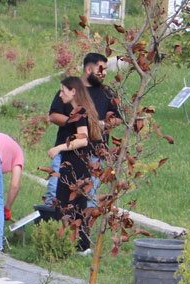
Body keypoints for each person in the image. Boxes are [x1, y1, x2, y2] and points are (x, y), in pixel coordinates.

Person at [45, 52, 117, 204]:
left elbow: (118, 118)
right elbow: (53, 115)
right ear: (89, 70)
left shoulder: (107, 92)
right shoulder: (69, 89)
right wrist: (76, 122)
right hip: (66, 151)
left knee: (87, 198)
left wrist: (102, 124)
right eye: (101, 69)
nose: (104, 73)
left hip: (94, 154)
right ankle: (51, 224)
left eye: (105, 70)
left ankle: (82, 227)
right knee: (55, 192)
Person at [48, 77, 102, 252]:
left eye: (63, 90)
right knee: (71, 203)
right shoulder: (77, 112)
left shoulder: (80, 112)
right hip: (71, 162)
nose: (60, 94)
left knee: (73, 203)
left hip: (76, 163)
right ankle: (71, 243)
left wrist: (59, 148)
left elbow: (83, 139)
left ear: (73, 92)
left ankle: (79, 245)